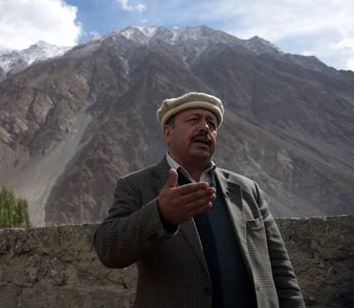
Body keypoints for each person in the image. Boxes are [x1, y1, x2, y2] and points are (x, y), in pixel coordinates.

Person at [93, 92, 305, 308]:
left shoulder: (247, 189)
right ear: (168, 133)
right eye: (194, 120)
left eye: (211, 124)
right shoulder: (137, 185)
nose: (205, 128)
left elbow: (280, 269)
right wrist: (160, 215)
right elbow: (108, 250)